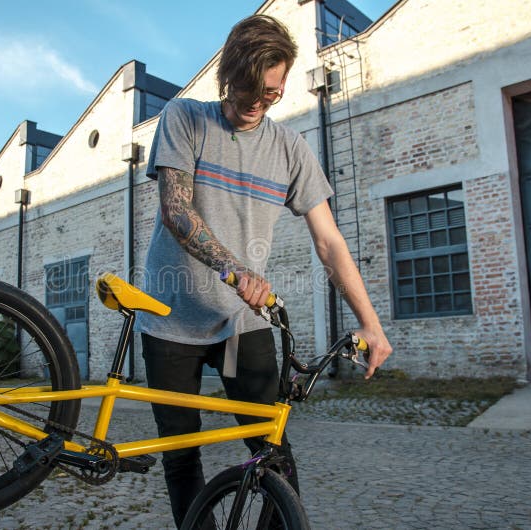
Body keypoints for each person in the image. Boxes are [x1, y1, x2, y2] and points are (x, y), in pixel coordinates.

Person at [137, 14, 392, 528]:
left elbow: (329, 240)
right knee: (182, 456)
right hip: (169, 318)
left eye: (272, 92)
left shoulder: (291, 150)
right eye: (249, 89)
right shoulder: (184, 118)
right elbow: (178, 211)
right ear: (228, 74)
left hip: (242, 323)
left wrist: (371, 322)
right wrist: (235, 270)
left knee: (272, 452)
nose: (258, 102)